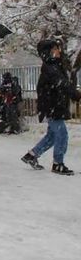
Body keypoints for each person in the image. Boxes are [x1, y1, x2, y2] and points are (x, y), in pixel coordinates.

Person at [21, 39, 81, 175]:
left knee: (52, 136)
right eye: (55, 49)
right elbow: (61, 84)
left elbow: (63, 83)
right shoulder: (50, 68)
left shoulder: (54, 66)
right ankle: (57, 163)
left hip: (54, 105)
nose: (58, 51)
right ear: (47, 52)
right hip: (52, 106)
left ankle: (32, 155)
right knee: (62, 135)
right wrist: (76, 94)